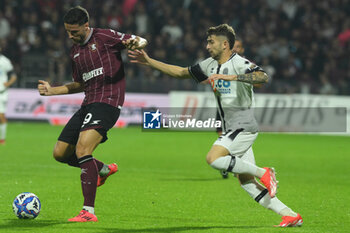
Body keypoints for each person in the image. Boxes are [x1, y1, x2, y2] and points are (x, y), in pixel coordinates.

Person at [128, 24, 302, 227]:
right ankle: (290, 215)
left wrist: (232, 77)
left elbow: (262, 77)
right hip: (232, 128)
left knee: (213, 158)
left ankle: (264, 173)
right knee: (246, 183)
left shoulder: (239, 62)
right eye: (207, 41)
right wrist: (149, 62)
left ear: (225, 44)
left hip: (243, 124)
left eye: (211, 42)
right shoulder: (209, 64)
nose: (207, 45)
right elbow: (181, 72)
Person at [37, 6, 147, 222]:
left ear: (86, 26)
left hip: (108, 102)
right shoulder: (75, 52)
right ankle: (102, 169)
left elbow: (140, 40)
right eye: (68, 31)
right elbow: (80, 84)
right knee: (60, 153)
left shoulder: (104, 36)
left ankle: (88, 211)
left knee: (82, 148)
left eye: (74, 31)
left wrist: (136, 43)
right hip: (88, 103)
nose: (70, 35)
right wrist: (52, 91)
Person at [0, 46, 17, 145]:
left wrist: (8, 83)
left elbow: (13, 75)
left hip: (1, 93)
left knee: (1, 116)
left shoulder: (5, 61)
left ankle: (2, 139)